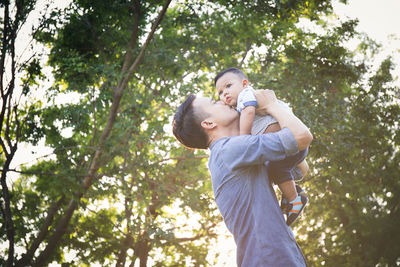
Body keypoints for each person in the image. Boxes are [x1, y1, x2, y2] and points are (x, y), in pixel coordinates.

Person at [172, 89, 312, 266]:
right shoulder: (228, 150)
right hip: (271, 259)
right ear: (208, 123)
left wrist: (261, 120)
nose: (223, 100)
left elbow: (301, 167)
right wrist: (272, 105)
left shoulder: (232, 154)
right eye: (215, 102)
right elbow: (302, 136)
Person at [214, 67, 308, 225]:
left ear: (244, 83)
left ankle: (295, 201)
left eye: (228, 86)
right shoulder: (238, 107)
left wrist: (244, 139)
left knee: (277, 170)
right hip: (284, 147)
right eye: (221, 92)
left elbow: (249, 112)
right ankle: (291, 193)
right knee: (274, 171)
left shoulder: (246, 95)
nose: (225, 93)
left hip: (290, 142)